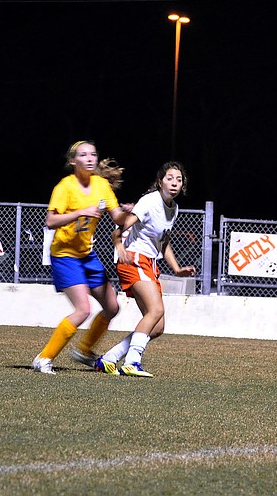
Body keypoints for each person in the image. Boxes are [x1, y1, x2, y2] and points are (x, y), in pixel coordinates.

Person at [31, 140, 133, 375]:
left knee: (111, 306)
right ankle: (44, 358)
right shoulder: (64, 187)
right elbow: (50, 221)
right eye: (83, 155)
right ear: (72, 161)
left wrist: (128, 211)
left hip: (87, 255)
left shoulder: (101, 185)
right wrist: (80, 212)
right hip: (65, 255)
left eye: (93, 154)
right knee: (82, 309)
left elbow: (116, 216)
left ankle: (84, 351)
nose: (89, 158)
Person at [94, 161, 196, 378]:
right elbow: (120, 228)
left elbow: (163, 243)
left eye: (179, 179)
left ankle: (108, 359)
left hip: (149, 263)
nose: (175, 183)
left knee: (157, 327)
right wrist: (120, 246)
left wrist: (177, 270)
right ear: (160, 182)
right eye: (169, 178)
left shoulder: (174, 208)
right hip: (134, 260)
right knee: (156, 310)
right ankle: (132, 362)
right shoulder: (149, 201)